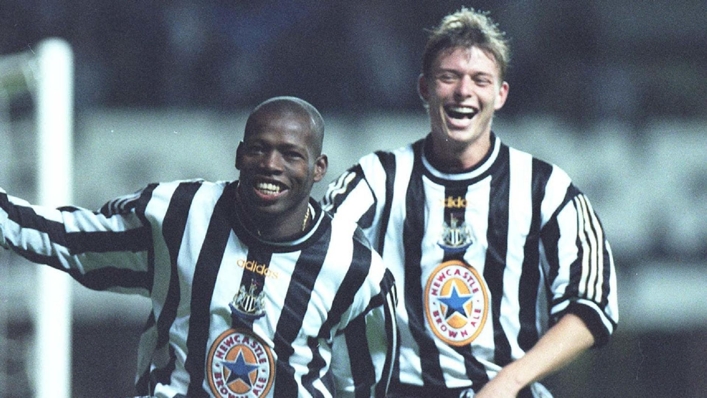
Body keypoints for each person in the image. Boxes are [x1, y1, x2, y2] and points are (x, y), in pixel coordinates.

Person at [0, 96, 398, 397]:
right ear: (240, 155)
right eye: (259, 148)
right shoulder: (179, 214)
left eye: (291, 154)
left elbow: (364, 384)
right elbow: (74, 239)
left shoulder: (357, 270)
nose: (271, 164)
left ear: (318, 168)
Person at [321, 8, 618, 398]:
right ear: (425, 88)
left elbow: (594, 306)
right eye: (449, 77)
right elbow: (308, 266)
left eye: (480, 80)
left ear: (500, 95)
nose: (464, 91)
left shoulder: (547, 189)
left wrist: (509, 381)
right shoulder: (377, 179)